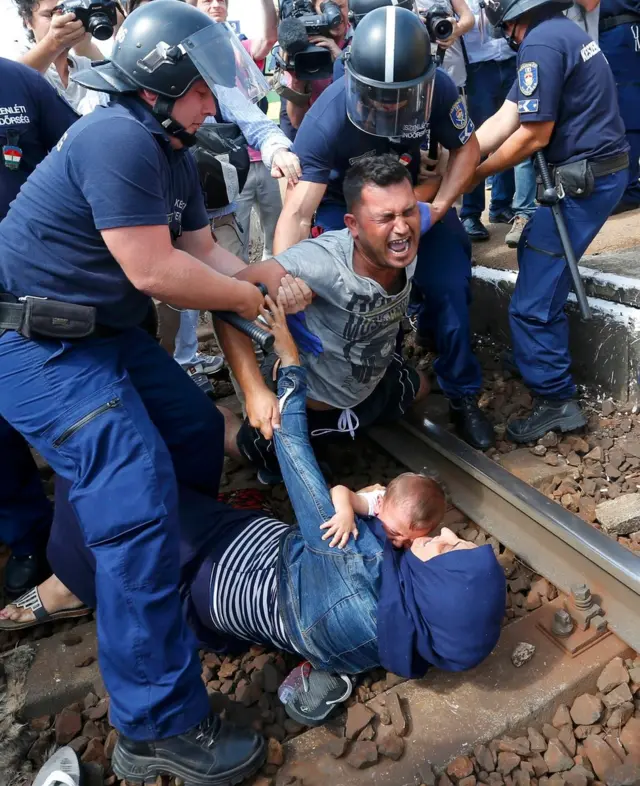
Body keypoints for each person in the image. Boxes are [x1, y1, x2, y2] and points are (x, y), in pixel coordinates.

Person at [0, 2, 282, 782]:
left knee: (191, 432)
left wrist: (261, 277)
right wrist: (242, 301)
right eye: (201, 90)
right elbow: (156, 274)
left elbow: (201, 251)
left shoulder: (172, 151)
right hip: (35, 344)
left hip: (100, 331)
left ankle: (158, 576)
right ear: (160, 86)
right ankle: (154, 725)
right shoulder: (118, 137)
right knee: (135, 489)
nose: (212, 103)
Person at [2, 295, 507, 727]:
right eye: (454, 537)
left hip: (211, 556)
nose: (441, 534)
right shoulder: (398, 640)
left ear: (438, 593)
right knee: (171, 451)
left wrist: (287, 363)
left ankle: (68, 583)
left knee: (100, 474)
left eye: (447, 549)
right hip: (219, 603)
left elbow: (294, 452)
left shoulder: (356, 563)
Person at [274, 7, 495, 450]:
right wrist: (287, 279)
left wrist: (441, 205)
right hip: (347, 209)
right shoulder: (328, 115)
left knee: (449, 284)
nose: (391, 106)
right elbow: (298, 213)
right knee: (360, 294)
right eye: (380, 97)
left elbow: (467, 149)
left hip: (412, 201)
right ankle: (374, 370)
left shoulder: (441, 90)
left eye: (402, 97)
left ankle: (463, 393)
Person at [218, 155, 434, 483]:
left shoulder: (409, 238)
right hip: (311, 406)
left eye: (408, 211)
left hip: (370, 385)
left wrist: (444, 167)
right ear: (353, 225)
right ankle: (215, 416)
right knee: (250, 449)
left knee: (423, 387)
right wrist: (253, 392)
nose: (402, 227)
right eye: (385, 218)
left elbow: (435, 200)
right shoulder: (320, 264)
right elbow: (226, 302)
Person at [476, 0, 629, 442]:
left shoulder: (539, 44)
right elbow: (507, 116)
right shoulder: (556, 31)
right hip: (599, 170)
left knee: (531, 302)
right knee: (533, 249)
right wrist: (466, 153)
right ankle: (534, 354)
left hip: (588, 180)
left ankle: (556, 400)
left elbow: (533, 134)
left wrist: (477, 172)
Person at [0, 57, 79, 597]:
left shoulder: (17, 80)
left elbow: (77, 142)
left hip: (37, 277)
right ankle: (27, 534)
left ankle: (84, 533)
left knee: (75, 401)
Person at [458, 0, 537, 247]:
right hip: (478, 66)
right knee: (478, 136)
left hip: (512, 57)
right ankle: (470, 214)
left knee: (514, 132)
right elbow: (461, 23)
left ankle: (502, 204)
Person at [12, 0, 111, 114]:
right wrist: (53, 43)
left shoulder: (85, 66)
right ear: (27, 21)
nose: (61, 20)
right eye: (49, 14)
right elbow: (11, 81)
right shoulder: (14, 54)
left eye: (68, 12)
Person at [277, 0, 351, 142]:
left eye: (340, 7)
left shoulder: (361, 38)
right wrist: (298, 83)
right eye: (327, 7)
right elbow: (297, 122)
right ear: (313, 10)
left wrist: (341, 60)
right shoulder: (299, 45)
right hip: (316, 140)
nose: (335, 15)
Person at [598, 0, 640, 211]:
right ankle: (629, 186)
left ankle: (629, 189)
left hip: (617, 32)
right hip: (627, 30)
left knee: (626, 104)